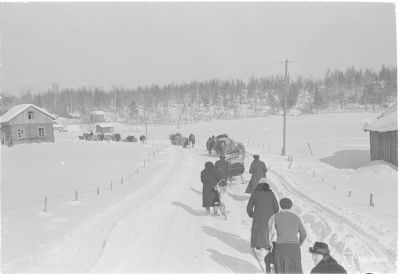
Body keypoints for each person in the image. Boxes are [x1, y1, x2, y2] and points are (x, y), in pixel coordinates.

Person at [268, 198, 307, 274]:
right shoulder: (296, 217)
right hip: (295, 248)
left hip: (281, 247)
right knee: (296, 269)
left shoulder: (275, 217)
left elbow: (270, 234)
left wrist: (270, 246)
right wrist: (299, 243)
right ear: (290, 206)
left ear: (280, 205)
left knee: (281, 269)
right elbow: (304, 234)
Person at [247, 178, 279, 259]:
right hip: (269, 216)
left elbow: (249, 206)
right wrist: (274, 213)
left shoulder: (255, 193)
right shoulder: (271, 193)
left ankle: (260, 247)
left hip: (258, 216)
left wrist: (251, 214)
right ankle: (266, 246)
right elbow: (276, 207)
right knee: (268, 231)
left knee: (258, 230)